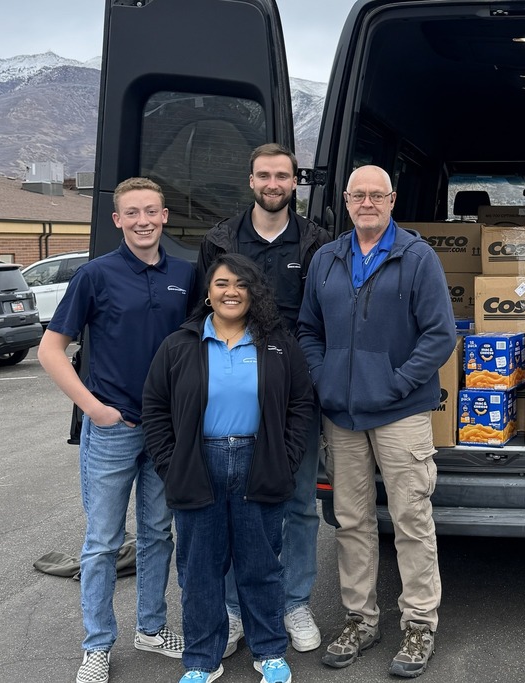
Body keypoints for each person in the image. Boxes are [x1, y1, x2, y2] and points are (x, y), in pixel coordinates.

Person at [297, 164, 456, 678]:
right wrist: (324, 381)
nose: (367, 202)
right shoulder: (327, 258)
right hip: (342, 416)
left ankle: (419, 624)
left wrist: (394, 384)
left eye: (376, 195)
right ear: (346, 201)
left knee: (411, 518)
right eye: (358, 195)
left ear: (391, 200)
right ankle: (360, 619)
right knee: (351, 521)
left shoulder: (417, 257)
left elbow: (440, 335)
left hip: (400, 414)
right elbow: (308, 331)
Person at [37, 177, 193, 683]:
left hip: (165, 431)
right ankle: (97, 645)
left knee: (156, 534)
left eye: (152, 211)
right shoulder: (95, 276)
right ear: (117, 220)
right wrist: (94, 409)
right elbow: (49, 350)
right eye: (133, 213)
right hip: (113, 429)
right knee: (103, 542)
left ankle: (150, 628)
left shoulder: (186, 276)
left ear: (165, 216)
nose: (144, 220)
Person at [143, 253, 314, 683]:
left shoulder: (276, 342)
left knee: (260, 565)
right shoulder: (181, 344)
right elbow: (155, 407)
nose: (231, 292)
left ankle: (270, 651)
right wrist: (170, 463)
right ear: (208, 292)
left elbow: (300, 402)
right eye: (221, 283)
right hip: (200, 463)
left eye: (241, 284)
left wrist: (287, 456)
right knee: (200, 569)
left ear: (255, 293)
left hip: (260, 461)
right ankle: (202, 659)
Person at [196, 143, 330, 656]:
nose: (273, 183)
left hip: (294, 399)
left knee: (298, 505)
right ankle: (234, 612)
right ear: (250, 181)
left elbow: (325, 320)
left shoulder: (318, 242)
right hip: (232, 396)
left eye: (282, 176)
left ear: (295, 182)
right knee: (235, 506)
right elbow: (199, 312)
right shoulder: (221, 239)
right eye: (263, 175)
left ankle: (293, 603)